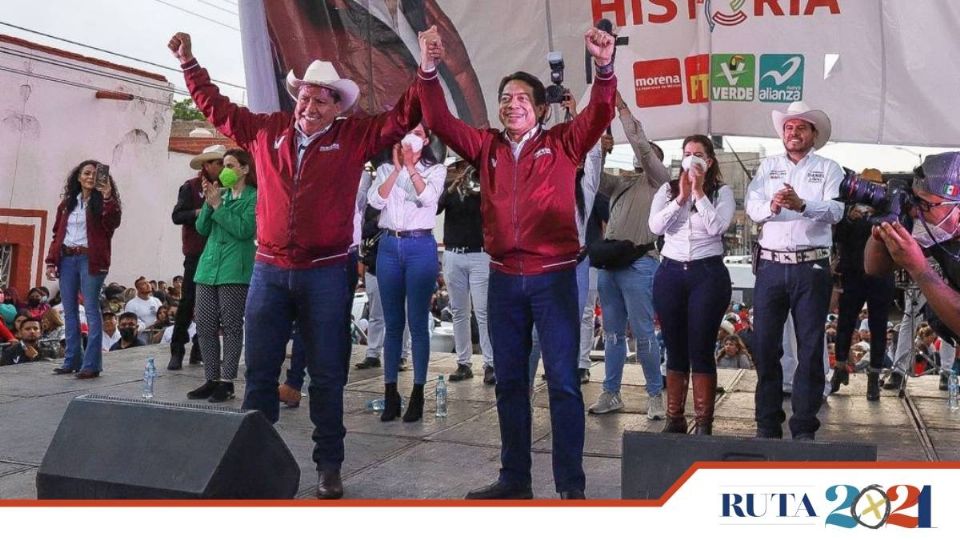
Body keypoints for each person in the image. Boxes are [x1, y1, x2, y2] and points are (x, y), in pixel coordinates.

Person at [169, 27, 422, 500]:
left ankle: (329, 465)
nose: (311, 107)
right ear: (296, 99)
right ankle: (253, 465)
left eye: (323, 100)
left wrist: (426, 69)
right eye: (305, 98)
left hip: (327, 271)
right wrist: (189, 64)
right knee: (259, 372)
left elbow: (405, 115)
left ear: (338, 107)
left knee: (327, 373)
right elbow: (216, 108)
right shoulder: (266, 131)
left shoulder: (355, 136)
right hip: (268, 270)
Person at [418, 26, 616, 499]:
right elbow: (439, 120)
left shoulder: (565, 143)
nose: (511, 104)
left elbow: (601, 110)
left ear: (540, 109)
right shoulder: (485, 147)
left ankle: (571, 487)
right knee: (509, 384)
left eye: (522, 97)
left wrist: (605, 68)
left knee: (565, 385)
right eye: (505, 97)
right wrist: (428, 70)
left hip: (554, 281)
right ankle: (515, 480)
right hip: (504, 280)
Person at [745, 101, 844, 440]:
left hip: (811, 267)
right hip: (771, 265)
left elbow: (837, 211)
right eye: (789, 127)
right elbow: (751, 206)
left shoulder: (830, 169)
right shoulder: (767, 166)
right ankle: (767, 423)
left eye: (801, 127)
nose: (793, 133)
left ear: (813, 134)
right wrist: (772, 205)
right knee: (766, 346)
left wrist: (803, 204)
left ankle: (804, 426)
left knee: (810, 347)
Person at [588, 92, 671, 418]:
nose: (640, 158)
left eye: (648, 155)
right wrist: (599, 147)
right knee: (610, 334)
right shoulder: (623, 183)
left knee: (644, 332)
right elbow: (593, 178)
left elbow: (643, 148)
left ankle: (654, 395)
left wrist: (622, 109)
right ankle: (611, 392)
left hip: (640, 263)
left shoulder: (660, 181)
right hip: (610, 264)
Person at [649, 134, 734, 435]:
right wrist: (681, 198)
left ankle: (704, 422)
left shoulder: (721, 192)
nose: (692, 159)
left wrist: (698, 193)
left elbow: (718, 227)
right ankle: (675, 418)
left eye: (698, 154)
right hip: (671, 271)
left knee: (701, 345)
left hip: (707, 273)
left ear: (709, 161)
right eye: (687, 153)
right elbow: (656, 226)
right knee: (674, 346)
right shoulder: (668, 189)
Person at [367, 124, 444, 422]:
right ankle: (389, 392)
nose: (411, 137)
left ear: (426, 139)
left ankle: (418, 392)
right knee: (392, 322)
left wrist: (412, 168)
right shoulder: (387, 168)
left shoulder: (435, 171)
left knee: (417, 321)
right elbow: (375, 202)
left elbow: (428, 200)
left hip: (419, 245)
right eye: (407, 131)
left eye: (417, 133)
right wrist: (399, 169)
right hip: (389, 244)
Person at [185, 148, 258, 403]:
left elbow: (244, 230)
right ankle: (211, 378)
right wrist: (209, 202)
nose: (225, 171)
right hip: (208, 268)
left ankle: (227, 382)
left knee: (231, 326)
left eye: (231, 165)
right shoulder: (221, 195)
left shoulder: (253, 198)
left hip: (234, 270)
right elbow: (201, 227)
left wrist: (219, 207)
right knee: (204, 325)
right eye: (224, 165)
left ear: (245, 169)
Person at [866, 152, 960, 346]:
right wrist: (885, 222)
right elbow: (875, 267)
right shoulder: (943, 232)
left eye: (926, 204)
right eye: (914, 201)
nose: (916, 211)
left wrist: (919, 268)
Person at [45, 160, 122, 379]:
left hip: (91, 259)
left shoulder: (105, 203)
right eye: (86, 173)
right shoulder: (68, 203)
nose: (90, 177)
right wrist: (52, 260)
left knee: (90, 310)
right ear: (78, 177)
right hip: (67, 258)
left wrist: (107, 196)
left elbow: (113, 223)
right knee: (69, 311)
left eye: (95, 174)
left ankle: (91, 364)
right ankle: (71, 360)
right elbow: (57, 233)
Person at [829, 170, 895, 400]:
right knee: (845, 324)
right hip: (853, 273)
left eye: (875, 187)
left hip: (880, 275)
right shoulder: (848, 206)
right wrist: (848, 219)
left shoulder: (889, 209)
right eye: (868, 186)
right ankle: (839, 368)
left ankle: (874, 377)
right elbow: (836, 239)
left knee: (879, 327)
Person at [438, 160, 495, 385]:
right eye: (460, 169)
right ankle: (463, 363)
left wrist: (478, 187)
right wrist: (452, 188)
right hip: (453, 254)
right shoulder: (449, 191)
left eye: (467, 169)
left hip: (480, 254)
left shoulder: (482, 191)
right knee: (459, 312)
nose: (464, 173)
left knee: (483, 312)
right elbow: (435, 208)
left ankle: (490, 363)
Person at [168, 145, 223, 369]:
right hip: (197, 252)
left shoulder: (228, 187)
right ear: (207, 165)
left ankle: (199, 350)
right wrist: (200, 212)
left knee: (213, 305)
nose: (221, 167)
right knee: (188, 301)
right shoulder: (190, 187)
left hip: (220, 251)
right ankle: (177, 350)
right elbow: (177, 215)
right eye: (218, 163)